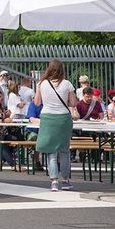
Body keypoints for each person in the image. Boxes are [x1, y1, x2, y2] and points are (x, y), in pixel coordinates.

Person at [34, 59, 77, 192]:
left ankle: (54, 182)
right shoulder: (67, 84)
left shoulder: (41, 83)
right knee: (64, 151)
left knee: (51, 151)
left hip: (47, 117)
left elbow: (36, 102)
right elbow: (73, 102)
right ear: (62, 69)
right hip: (63, 118)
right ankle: (65, 180)